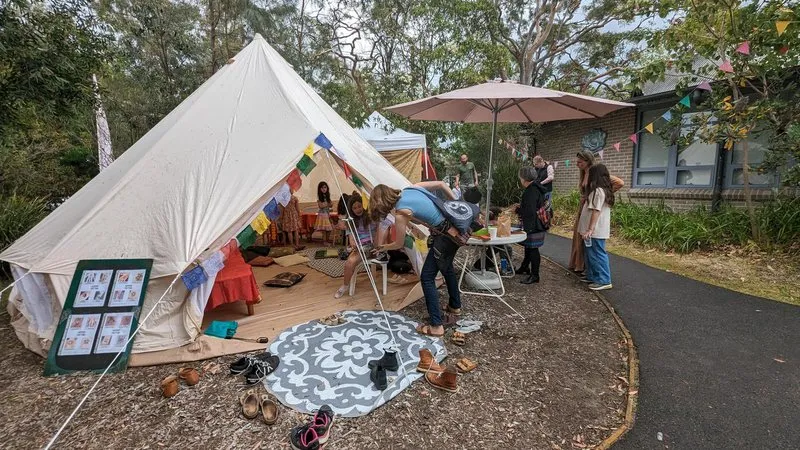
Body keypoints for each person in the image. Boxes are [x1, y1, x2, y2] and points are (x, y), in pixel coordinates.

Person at [371, 181, 460, 338]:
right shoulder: (411, 189)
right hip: (455, 230)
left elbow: (398, 244)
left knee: (426, 277)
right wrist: (457, 205)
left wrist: (382, 247)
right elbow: (441, 184)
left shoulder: (400, 213)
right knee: (447, 268)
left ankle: (436, 326)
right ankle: (455, 306)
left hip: (444, 237)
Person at [568, 150, 624, 274]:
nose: (577, 164)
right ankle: (581, 265)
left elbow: (620, 183)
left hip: (593, 208)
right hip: (584, 207)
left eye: (580, 162)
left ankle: (595, 273)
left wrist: (603, 195)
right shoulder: (583, 173)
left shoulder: (596, 173)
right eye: (577, 162)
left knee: (592, 243)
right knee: (580, 237)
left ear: (588, 161)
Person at [334, 194, 384, 298]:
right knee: (349, 263)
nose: (358, 209)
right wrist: (354, 245)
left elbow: (380, 231)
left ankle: (344, 286)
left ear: (363, 205)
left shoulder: (371, 217)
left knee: (351, 261)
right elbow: (352, 240)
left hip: (372, 247)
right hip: (360, 247)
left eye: (359, 206)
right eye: (354, 208)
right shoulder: (350, 221)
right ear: (351, 210)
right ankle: (345, 285)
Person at [579, 164, 615, 290]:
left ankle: (604, 280)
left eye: (590, 174)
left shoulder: (598, 191)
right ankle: (593, 276)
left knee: (597, 254)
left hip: (595, 231)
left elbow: (596, 211)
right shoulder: (601, 190)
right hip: (593, 231)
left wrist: (590, 229)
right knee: (590, 254)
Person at [515, 166, 547, 284]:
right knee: (528, 247)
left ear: (524, 178)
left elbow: (530, 211)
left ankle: (535, 275)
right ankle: (525, 267)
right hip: (537, 222)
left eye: (520, 177)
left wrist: (518, 210)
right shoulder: (537, 187)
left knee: (533, 249)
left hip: (534, 224)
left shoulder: (531, 191)